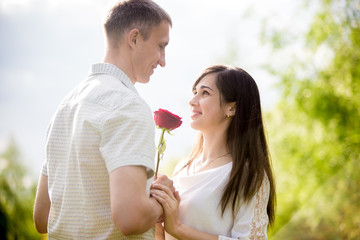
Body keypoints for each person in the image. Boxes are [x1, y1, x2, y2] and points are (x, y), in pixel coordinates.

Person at [33, 0, 173, 239]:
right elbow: (131, 219)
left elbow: (42, 217)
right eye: (161, 46)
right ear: (135, 38)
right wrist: (162, 201)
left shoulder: (65, 106)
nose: (163, 60)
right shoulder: (129, 106)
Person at [151, 65, 277, 240]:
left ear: (231, 108)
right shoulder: (183, 168)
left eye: (205, 93)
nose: (192, 100)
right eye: (195, 91)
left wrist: (178, 229)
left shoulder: (248, 174)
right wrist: (158, 218)